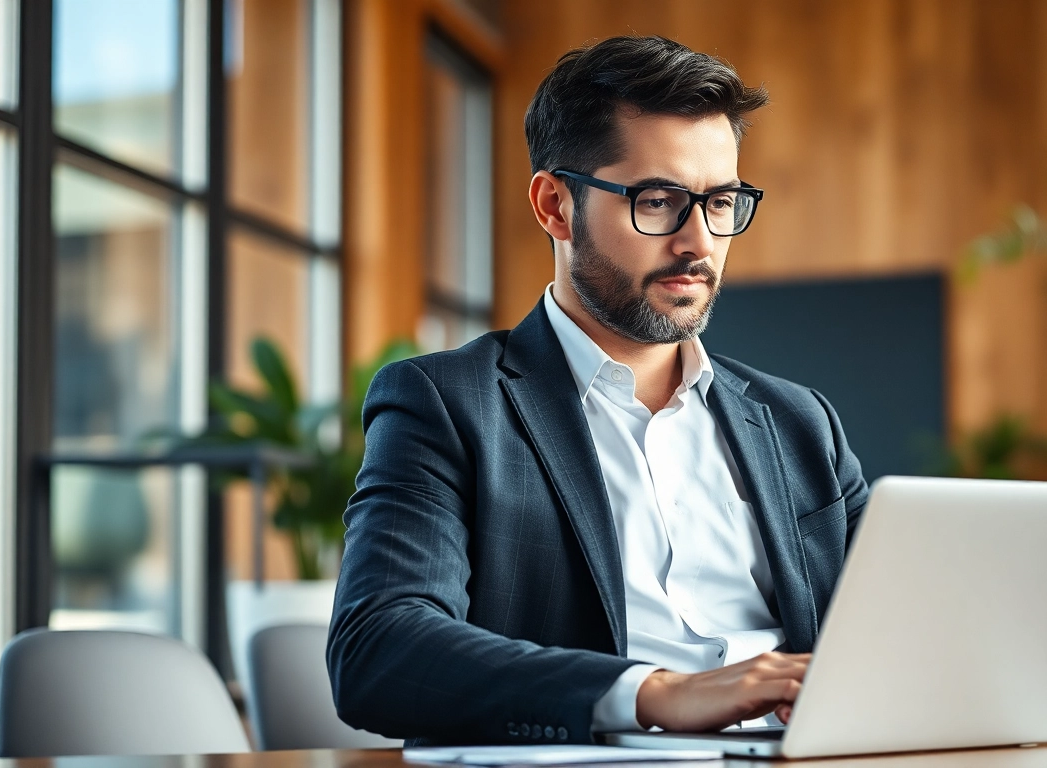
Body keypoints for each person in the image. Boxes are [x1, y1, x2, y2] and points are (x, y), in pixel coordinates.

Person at [327, 35, 869, 746]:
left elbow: (892, 635)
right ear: (556, 206)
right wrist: (658, 694)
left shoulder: (801, 422)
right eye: (659, 201)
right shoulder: (447, 405)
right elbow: (380, 649)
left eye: (721, 202)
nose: (698, 242)